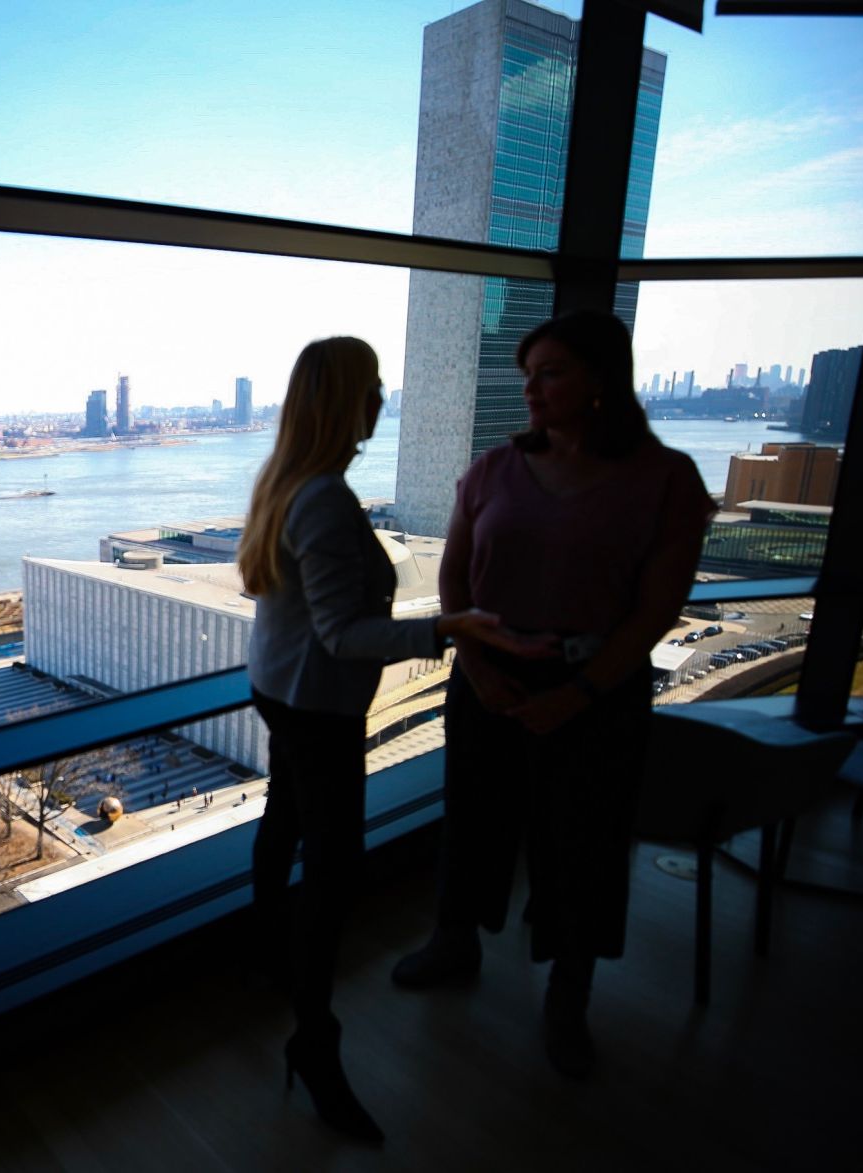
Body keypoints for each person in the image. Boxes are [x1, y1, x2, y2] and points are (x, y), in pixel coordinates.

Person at [390, 311, 714, 1079]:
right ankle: (456, 939)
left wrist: (580, 692)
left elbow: (657, 609)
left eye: (552, 372)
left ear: (602, 378)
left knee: (585, 844)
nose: (531, 388)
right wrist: (474, 662)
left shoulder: (666, 480)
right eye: (527, 373)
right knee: (473, 818)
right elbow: (454, 579)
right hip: (488, 681)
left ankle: (570, 993)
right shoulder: (492, 469)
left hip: (596, 692)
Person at [240, 336, 549, 1143]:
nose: (384, 396)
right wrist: (448, 626)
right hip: (318, 709)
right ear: (345, 399)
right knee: (334, 872)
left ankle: (269, 957)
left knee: (282, 826)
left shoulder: (282, 481)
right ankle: (314, 1040)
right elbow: (344, 633)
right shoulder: (326, 499)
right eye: (373, 385)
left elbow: (308, 615)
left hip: (276, 690)